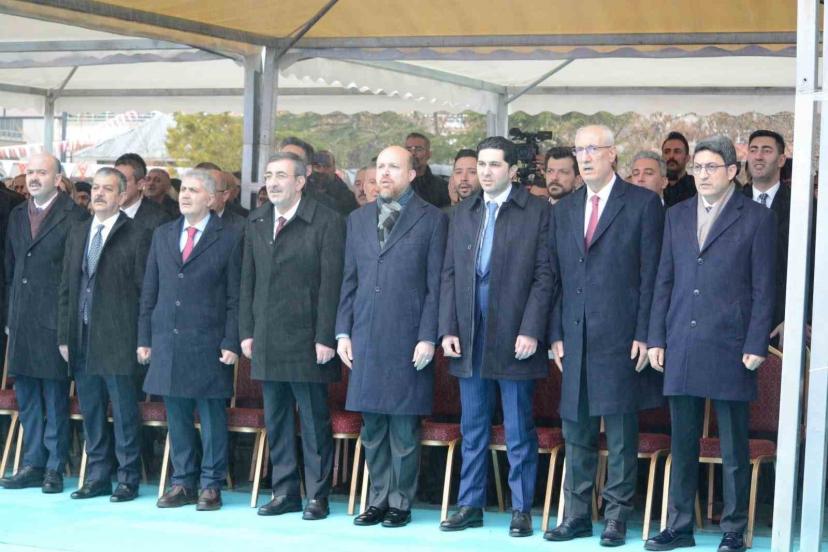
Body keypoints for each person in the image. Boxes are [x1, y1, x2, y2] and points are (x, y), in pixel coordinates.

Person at [645, 136, 776, 552]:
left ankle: (733, 529)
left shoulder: (756, 217)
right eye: (697, 167)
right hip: (681, 338)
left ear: (732, 172)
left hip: (732, 343)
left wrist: (756, 341)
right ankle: (679, 525)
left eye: (711, 167)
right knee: (682, 441)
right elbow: (664, 280)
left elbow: (765, 287)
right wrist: (656, 336)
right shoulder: (677, 214)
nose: (702, 174)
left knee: (734, 445)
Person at [545, 125, 664, 546]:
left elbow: (652, 276)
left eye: (593, 148)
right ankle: (576, 514)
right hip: (574, 337)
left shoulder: (643, 204)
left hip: (621, 337)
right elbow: (554, 277)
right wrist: (555, 332)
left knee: (620, 434)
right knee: (575, 431)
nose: (585, 156)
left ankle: (616, 516)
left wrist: (646, 332)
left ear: (613, 154)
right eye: (579, 149)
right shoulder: (563, 209)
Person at [438, 137, 553, 537]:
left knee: (518, 427)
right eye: (481, 165)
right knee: (473, 426)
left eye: (494, 165)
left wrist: (532, 329)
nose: (485, 172)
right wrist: (448, 327)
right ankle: (470, 504)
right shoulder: (463, 211)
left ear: (512, 170)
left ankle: (521, 508)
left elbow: (544, 276)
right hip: (470, 332)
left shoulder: (536, 211)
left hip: (515, 333)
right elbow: (449, 274)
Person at [336, 145, 448, 528]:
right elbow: (349, 280)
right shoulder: (357, 219)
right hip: (365, 335)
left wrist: (428, 336)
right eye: (380, 167)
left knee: (402, 429)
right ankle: (377, 499)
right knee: (372, 428)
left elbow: (436, 286)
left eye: (393, 167)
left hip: (409, 337)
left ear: (411, 174)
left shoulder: (433, 219)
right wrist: (342, 331)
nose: (384, 174)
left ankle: (400, 502)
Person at [240, 152, 345, 520]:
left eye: (281, 175)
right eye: (269, 175)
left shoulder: (327, 221)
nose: (272, 182)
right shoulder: (256, 219)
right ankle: (284, 491)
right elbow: (247, 280)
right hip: (268, 336)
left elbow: (331, 284)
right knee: (277, 419)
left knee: (314, 421)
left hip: (308, 338)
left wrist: (326, 336)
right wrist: (246, 331)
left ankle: (317, 495)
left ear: (300, 182)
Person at [138, 169, 243, 511]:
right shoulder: (164, 233)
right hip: (168, 338)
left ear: (211, 199)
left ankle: (211, 484)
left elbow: (236, 296)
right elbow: (150, 290)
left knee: (211, 416)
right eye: (183, 189)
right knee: (177, 416)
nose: (185, 195)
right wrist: (145, 337)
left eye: (194, 190)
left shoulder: (231, 236)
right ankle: (182, 481)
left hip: (209, 340)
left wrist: (231, 340)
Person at [57, 167, 151, 503]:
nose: (98, 194)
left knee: (124, 412)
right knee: (91, 409)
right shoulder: (78, 231)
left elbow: (145, 292)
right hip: (81, 335)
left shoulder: (137, 234)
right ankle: (97, 475)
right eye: (95, 188)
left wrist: (142, 338)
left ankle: (127, 478)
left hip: (118, 336)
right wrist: (64, 335)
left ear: (122, 195)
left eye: (107, 189)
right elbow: (67, 287)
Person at [0, 153, 88, 493]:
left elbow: (74, 276)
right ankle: (32, 463)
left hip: (54, 319)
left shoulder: (74, 215)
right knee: (27, 397)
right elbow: (10, 269)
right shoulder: (17, 214)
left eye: (42, 172)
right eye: (30, 172)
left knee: (54, 396)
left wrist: (66, 325)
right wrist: (10, 315)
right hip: (21, 318)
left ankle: (54, 466)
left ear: (58, 179)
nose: (34, 178)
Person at [744, 130, 789, 348]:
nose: (758, 156)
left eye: (766, 150)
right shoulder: (730, 203)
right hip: (735, 322)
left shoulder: (803, 205)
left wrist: (797, 318)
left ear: (781, 160)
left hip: (782, 323)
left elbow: (815, 268)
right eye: (753, 150)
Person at [280, 137, 358, 216]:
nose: (321, 170)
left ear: (334, 168)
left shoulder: (346, 195)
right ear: (310, 168)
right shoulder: (301, 190)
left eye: (326, 166)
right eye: (317, 166)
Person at [116, 154, 172, 231]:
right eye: (112, 180)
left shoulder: (160, 219)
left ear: (140, 184)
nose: (115, 186)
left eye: (123, 181)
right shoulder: (103, 210)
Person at [406, 132, 451, 208]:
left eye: (418, 149)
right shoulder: (396, 185)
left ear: (429, 154)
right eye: (408, 149)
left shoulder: (443, 188)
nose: (413, 153)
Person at [661, 131, 697, 207]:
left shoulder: (697, 188)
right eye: (667, 152)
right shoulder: (655, 187)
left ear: (687, 158)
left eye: (677, 152)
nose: (671, 156)